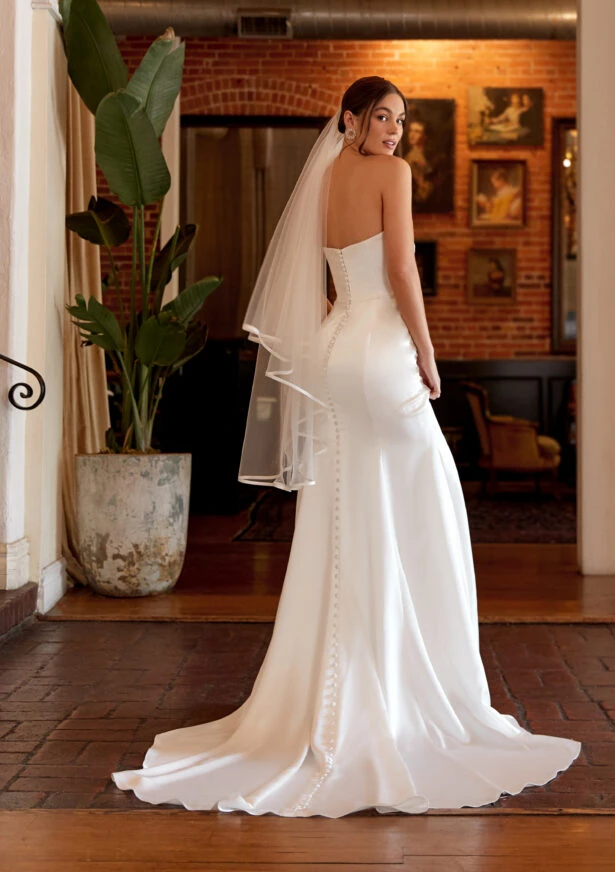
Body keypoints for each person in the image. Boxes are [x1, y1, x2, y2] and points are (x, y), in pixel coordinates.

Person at [111, 76, 581, 817]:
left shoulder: (325, 177)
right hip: (381, 353)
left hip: (336, 352)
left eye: (400, 121)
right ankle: (396, 690)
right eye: (381, 117)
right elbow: (399, 271)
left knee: (348, 512)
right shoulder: (388, 176)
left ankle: (339, 691)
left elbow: (328, 283)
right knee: (421, 498)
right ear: (350, 118)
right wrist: (428, 356)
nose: (393, 132)